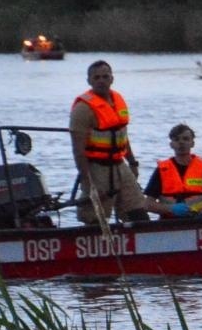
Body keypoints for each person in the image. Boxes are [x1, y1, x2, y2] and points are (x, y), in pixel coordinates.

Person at [69, 59, 165, 224]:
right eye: (96, 77)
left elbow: (121, 136)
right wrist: (88, 182)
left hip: (120, 166)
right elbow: (78, 151)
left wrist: (132, 162)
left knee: (138, 211)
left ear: (112, 79)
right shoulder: (83, 109)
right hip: (96, 168)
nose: (101, 81)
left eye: (105, 77)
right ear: (89, 81)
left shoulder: (118, 100)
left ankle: (141, 242)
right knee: (96, 218)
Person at [145, 123, 202, 218]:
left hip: (199, 221)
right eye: (177, 139)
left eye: (185, 139)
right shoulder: (162, 170)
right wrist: (171, 208)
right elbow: (148, 204)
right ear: (171, 144)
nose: (181, 142)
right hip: (169, 223)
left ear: (192, 143)